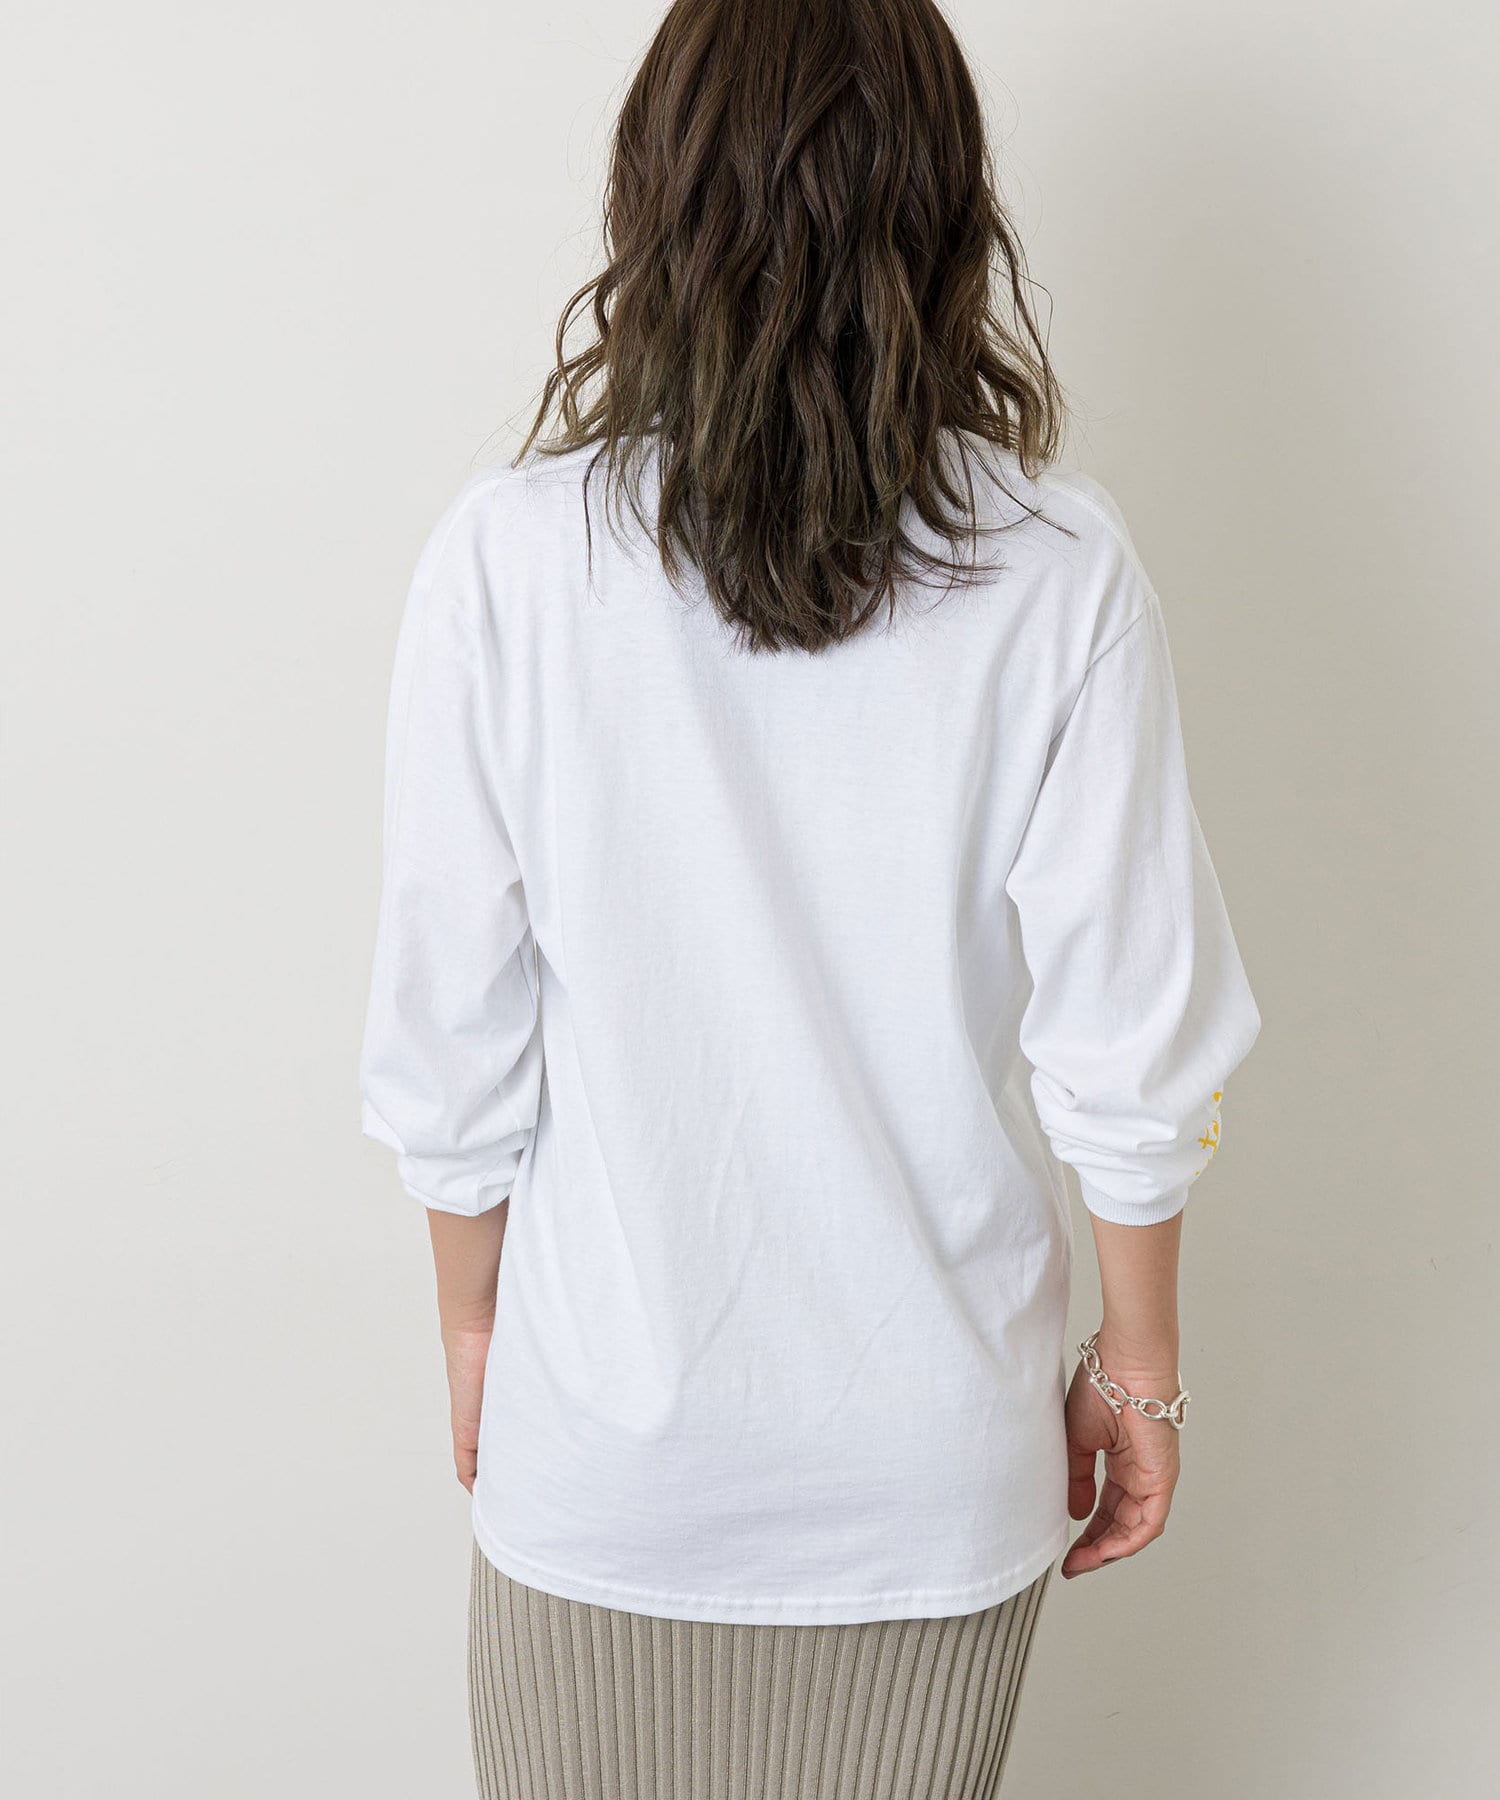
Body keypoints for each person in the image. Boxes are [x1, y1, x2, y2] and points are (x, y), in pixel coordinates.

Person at [357, 0, 1263, 1793]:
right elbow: (1132, 1052)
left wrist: (475, 1330)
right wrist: (1139, 1371)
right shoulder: (1059, 572)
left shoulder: (507, 562)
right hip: (929, 1469)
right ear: (944, 215)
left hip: (605, 1454)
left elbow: (451, 1042)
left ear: (657, 196)